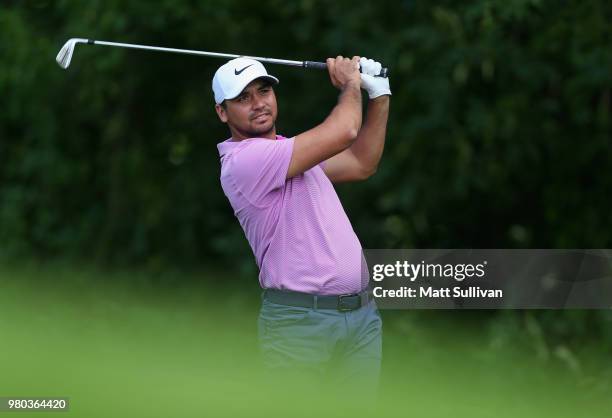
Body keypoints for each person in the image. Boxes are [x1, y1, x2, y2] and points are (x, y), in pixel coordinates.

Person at [213, 55, 391, 389]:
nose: (258, 103)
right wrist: (352, 82)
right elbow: (346, 130)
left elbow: (360, 162)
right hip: (300, 325)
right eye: (242, 98)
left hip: (360, 316)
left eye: (263, 91)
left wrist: (380, 95)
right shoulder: (244, 162)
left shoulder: (289, 152)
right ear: (222, 112)